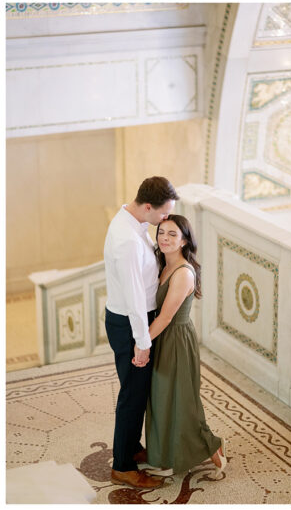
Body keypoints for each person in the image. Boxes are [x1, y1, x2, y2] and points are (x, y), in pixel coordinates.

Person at [104, 176, 178, 487]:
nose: (165, 220)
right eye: (163, 214)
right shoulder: (127, 240)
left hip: (134, 319)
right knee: (132, 396)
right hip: (131, 323)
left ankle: (132, 448)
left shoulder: (134, 224)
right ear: (147, 206)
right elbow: (135, 298)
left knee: (137, 391)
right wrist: (142, 342)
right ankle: (122, 465)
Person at [144, 215, 226, 476]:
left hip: (176, 339)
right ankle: (165, 457)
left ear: (184, 241)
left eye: (172, 234)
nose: (165, 238)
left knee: (181, 401)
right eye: (161, 233)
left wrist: (141, 343)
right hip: (164, 336)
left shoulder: (182, 273)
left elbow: (167, 316)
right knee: (161, 398)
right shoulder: (162, 264)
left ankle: (213, 448)